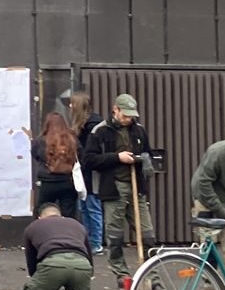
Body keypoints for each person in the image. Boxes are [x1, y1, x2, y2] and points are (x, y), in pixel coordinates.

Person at [81, 93, 154, 280]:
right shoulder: (100, 131)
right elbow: (88, 160)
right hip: (113, 187)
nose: (128, 119)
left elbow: (147, 153)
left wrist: (144, 161)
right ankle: (121, 275)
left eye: (131, 116)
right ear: (115, 109)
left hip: (136, 187)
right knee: (115, 236)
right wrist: (117, 157)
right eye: (125, 115)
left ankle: (151, 275)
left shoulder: (139, 130)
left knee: (147, 235)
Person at [13, 203, 95, 290]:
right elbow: (89, 256)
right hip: (82, 265)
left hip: (52, 264)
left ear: (40, 217)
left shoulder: (33, 227)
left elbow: (32, 263)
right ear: (60, 215)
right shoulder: (77, 224)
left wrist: (40, 287)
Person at [66, 89, 104, 253]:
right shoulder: (86, 124)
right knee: (84, 206)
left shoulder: (92, 126)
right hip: (82, 171)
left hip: (90, 172)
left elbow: (89, 152)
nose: (70, 106)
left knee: (92, 206)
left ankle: (95, 242)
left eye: (72, 103)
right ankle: (89, 240)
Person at [30, 111, 82, 222]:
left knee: (42, 211)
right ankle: (68, 237)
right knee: (69, 215)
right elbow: (80, 156)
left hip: (47, 182)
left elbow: (35, 155)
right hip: (68, 182)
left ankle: (43, 236)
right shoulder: (72, 140)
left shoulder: (40, 141)